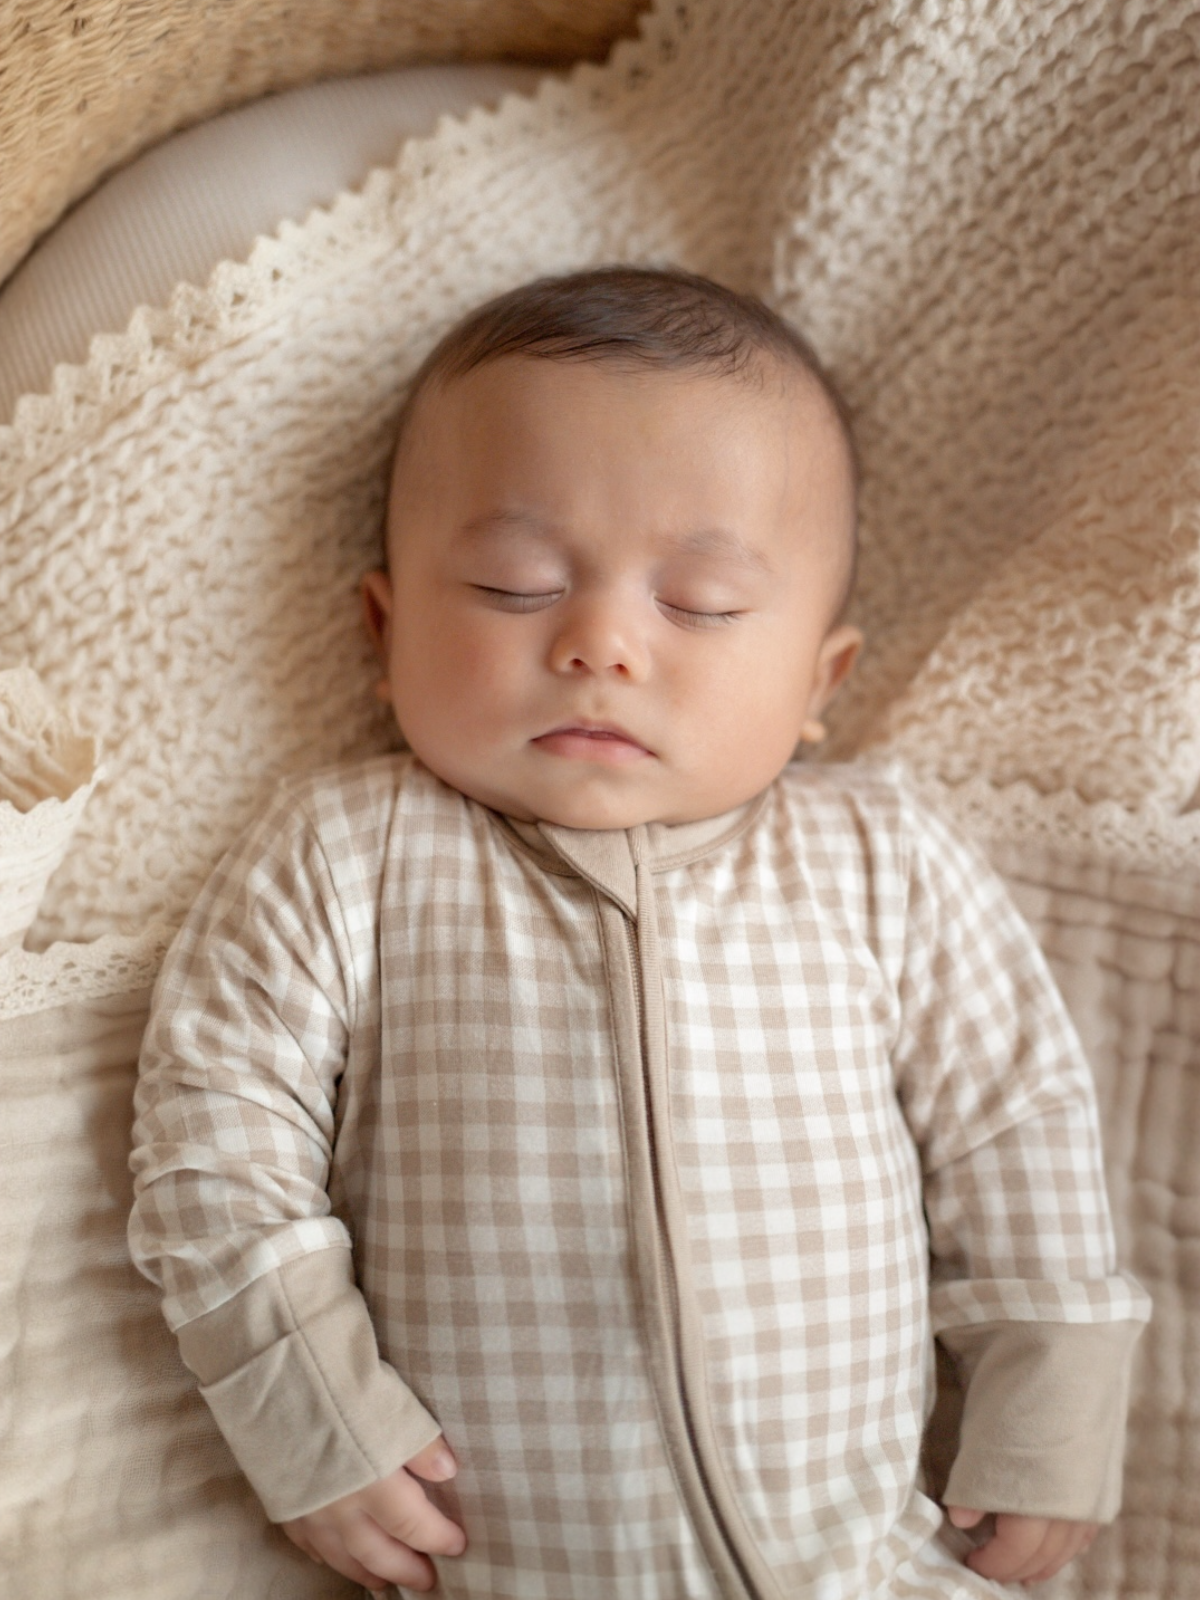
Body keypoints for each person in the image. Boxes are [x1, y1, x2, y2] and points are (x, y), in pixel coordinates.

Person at [128, 266, 1149, 1599]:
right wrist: (308, 1409)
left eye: (705, 604)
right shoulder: (348, 852)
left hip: (869, 1561)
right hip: (481, 1561)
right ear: (385, 633)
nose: (602, 640)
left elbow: (1014, 1121)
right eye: (511, 584)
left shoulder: (877, 858)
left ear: (818, 682)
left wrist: (1051, 1400)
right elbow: (213, 1127)